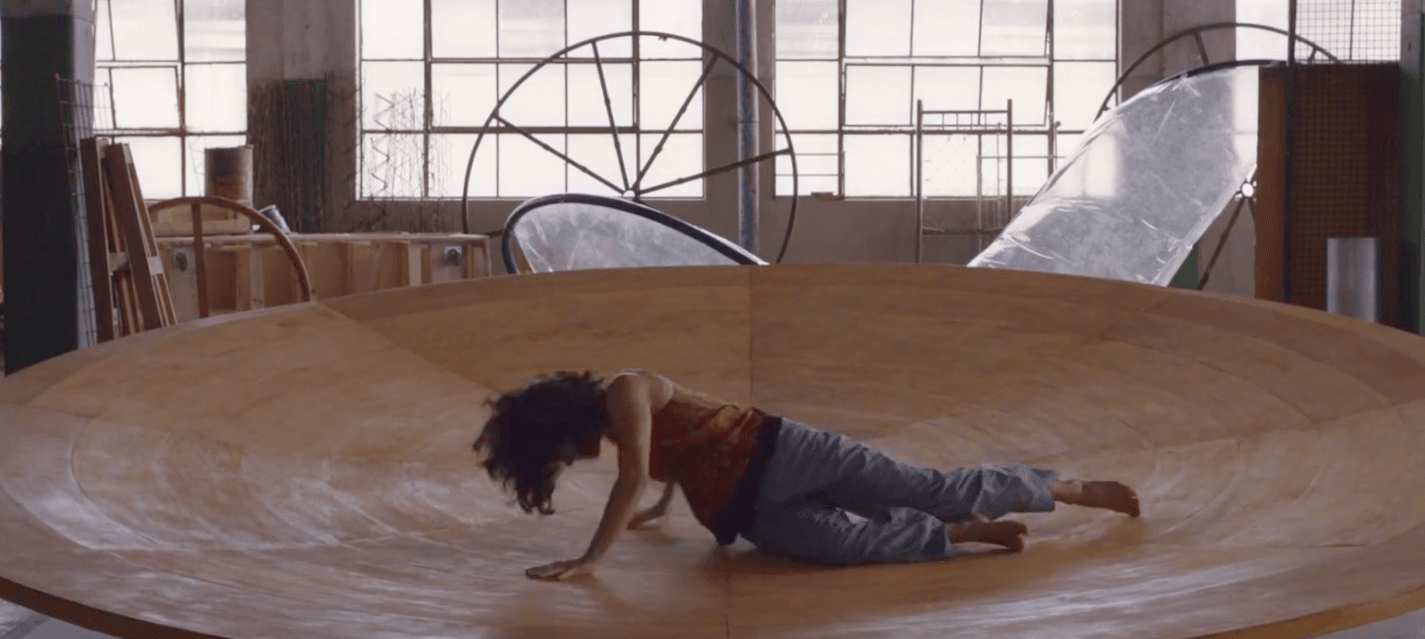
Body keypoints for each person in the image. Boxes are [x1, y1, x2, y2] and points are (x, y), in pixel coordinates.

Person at [473, 369, 1140, 581]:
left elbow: (633, 472)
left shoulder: (625, 391)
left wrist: (592, 557)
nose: (571, 461)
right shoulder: (618, 427)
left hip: (789, 453)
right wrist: (662, 505)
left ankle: (1061, 487)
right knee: (842, 546)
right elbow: (671, 456)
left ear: (561, 425)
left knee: (925, 488)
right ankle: (963, 533)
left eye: (559, 453)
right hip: (744, 509)